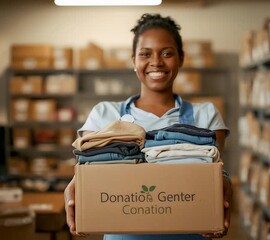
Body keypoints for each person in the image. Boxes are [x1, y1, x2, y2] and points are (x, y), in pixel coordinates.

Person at [64, 13, 232, 239]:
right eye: (145, 54)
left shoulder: (206, 116)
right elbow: (87, 174)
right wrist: (74, 187)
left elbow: (216, 174)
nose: (156, 62)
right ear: (134, 60)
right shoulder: (104, 114)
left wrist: (225, 188)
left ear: (181, 58)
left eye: (167, 53)